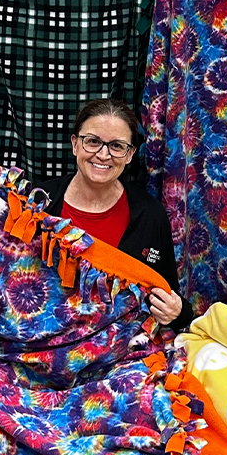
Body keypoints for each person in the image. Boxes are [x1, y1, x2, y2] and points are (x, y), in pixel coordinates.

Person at [38, 99, 193, 329]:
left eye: (117, 146)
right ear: (75, 144)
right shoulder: (37, 205)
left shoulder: (150, 215)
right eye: (92, 142)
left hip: (122, 351)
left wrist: (178, 312)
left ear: (130, 155)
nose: (103, 154)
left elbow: (169, 298)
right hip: (41, 341)